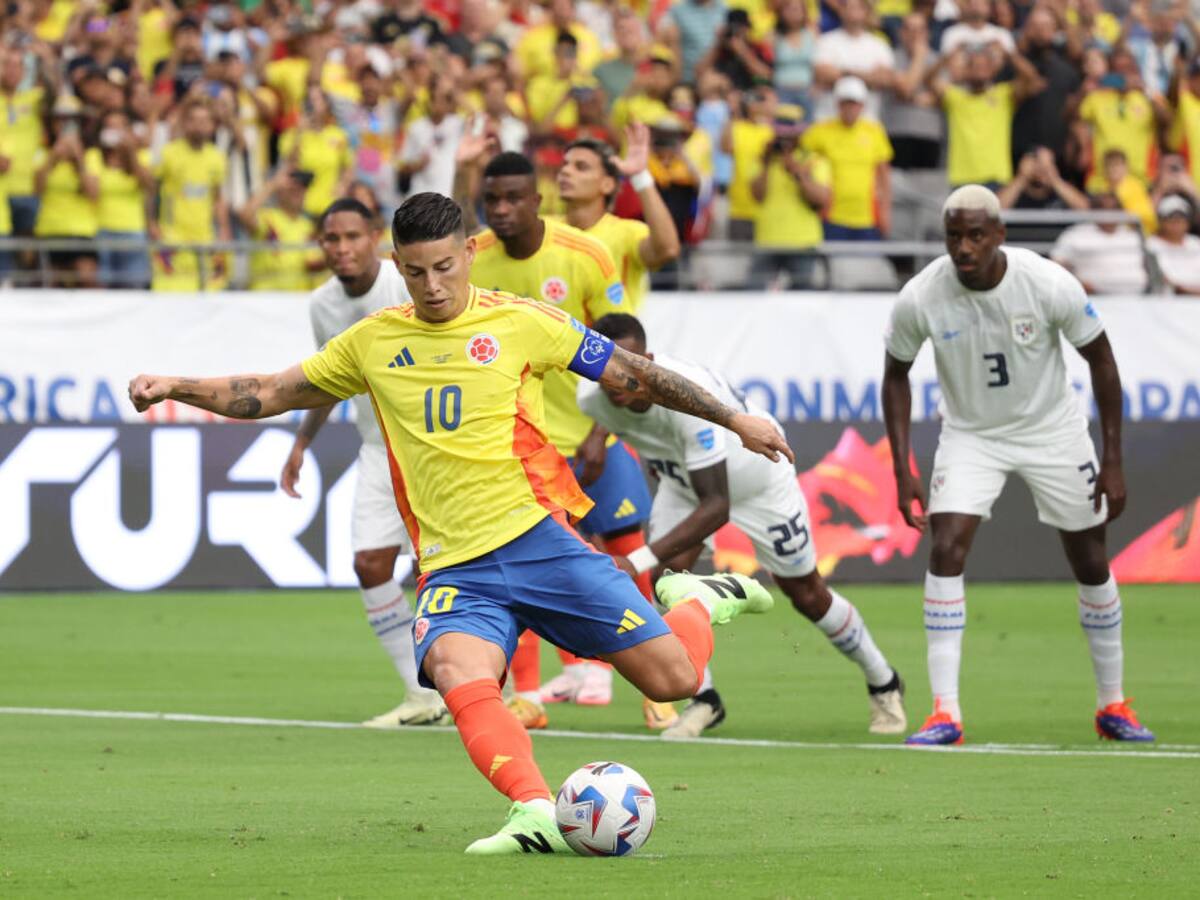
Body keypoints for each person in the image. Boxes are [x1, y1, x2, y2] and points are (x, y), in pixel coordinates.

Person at [128, 190, 791, 855]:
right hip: (455, 568)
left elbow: (634, 371)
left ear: (469, 252)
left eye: (445, 266)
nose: (433, 285)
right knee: (456, 670)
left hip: (538, 541)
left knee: (672, 680)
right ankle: (532, 811)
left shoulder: (526, 322)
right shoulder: (372, 341)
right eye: (416, 272)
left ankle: (697, 597)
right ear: (398, 264)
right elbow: (269, 392)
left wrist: (735, 420)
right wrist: (175, 386)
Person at [881, 184, 1154, 746]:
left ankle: (1113, 704)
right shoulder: (921, 296)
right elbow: (895, 375)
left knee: (1089, 558)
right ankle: (945, 712)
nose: (963, 247)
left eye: (976, 235)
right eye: (954, 235)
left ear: (999, 235)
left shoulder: (1048, 281)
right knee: (946, 545)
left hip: (1052, 430)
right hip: (971, 433)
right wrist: (901, 465)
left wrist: (1113, 459)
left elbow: (1102, 360)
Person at [583, 313, 907, 738]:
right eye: (609, 368)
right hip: (686, 484)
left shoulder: (685, 403)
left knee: (806, 593)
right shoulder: (592, 400)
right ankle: (705, 699)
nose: (617, 379)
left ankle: (884, 681)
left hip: (759, 480)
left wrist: (636, 558)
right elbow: (618, 413)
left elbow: (716, 506)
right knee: (664, 582)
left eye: (629, 368)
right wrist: (597, 435)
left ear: (648, 361)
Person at [468, 151, 661, 728]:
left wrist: (604, 430)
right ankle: (525, 695)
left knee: (630, 551)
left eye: (512, 199)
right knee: (513, 562)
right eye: (491, 200)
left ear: (537, 200)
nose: (501, 211)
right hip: (516, 447)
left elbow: (622, 350)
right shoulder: (471, 258)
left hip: (588, 433)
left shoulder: (585, 255)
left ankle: (658, 684)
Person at [278, 197, 449, 727]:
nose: (342, 247)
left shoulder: (406, 283)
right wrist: (303, 440)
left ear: (376, 237)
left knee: (444, 567)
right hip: (378, 448)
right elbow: (329, 378)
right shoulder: (322, 304)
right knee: (370, 564)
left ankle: (475, 685)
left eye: (353, 236)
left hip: (436, 447)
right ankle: (421, 696)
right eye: (332, 239)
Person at [557, 124, 681, 313]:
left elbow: (668, 249)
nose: (566, 171)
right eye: (565, 164)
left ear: (607, 184)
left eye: (580, 167)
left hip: (613, 341)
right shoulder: (544, 228)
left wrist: (640, 176)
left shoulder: (627, 232)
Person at [926, 44, 1046, 189]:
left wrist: (1010, 55)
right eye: (975, 66)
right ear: (966, 70)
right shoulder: (955, 97)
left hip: (995, 177)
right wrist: (947, 56)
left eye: (984, 66)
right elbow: (928, 80)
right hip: (961, 178)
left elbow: (1031, 78)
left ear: (992, 70)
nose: (979, 70)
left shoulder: (1003, 95)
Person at [152, 99, 231, 292]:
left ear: (213, 126)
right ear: (185, 123)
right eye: (194, 120)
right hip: (173, 239)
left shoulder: (217, 157)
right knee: (171, 297)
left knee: (209, 299)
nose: (199, 126)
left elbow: (218, 197)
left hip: (205, 238)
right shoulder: (169, 153)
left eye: (205, 121)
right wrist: (151, 223)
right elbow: (151, 190)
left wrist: (223, 228)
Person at [801, 76, 893, 239]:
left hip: (867, 217)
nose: (850, 108)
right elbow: (801, 160)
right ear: (838, 104)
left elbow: (884, 175)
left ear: (862, 105)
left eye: (854, 103)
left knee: (868, 264)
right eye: (846, 103)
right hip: (831, 216)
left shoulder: (874, 131)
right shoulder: (820, 131)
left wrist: (885, 212)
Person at [750, 105, 830, 289]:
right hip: (767, 240)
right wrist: (766, 165)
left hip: (802, 243)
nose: (784, 140)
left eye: (788, 135)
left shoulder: (813, 160)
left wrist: (798, 174)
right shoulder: (763, 159)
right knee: (753, 299)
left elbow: (821, 199)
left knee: (803, 302)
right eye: (780, 135)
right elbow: (757, 195)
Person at [92, 109, 155, 289]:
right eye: (109, 127)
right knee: (102, 290)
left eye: (119, 127)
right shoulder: (94, 156)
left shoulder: (142, 156)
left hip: (133, 232)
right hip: (101, 231)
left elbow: (150, 186)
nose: (114, 132)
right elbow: (92, 192)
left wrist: (131, 155)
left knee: (134, 289)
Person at [238, 169, 324, 291]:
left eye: (303, 188)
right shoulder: (267, 217)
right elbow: (244, 215)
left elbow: (313, 264)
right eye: (292, 188)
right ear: (280, 192)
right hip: (264, 299)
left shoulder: (309, 227)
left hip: (296, 300)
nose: (298, 192)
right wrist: (272, 185)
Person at [1050, 192, 1149, 295]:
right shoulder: (1075, 234)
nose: (1108, 213)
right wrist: (1077, 284)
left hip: (1137, 299)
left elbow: (1149, 265)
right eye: (1103, 208)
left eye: (1114, 208)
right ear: (1093, 210)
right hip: (1094, 300)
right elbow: (1056, 265)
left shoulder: (1132, 235)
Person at [1146, 194, 1200, 295]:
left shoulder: (1195, 243)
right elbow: (1162, 278)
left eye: (1181, 218)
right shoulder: (1151, 245)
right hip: (1171, 301)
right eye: (1171, 218)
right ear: (1161, 221)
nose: (1177, 223)